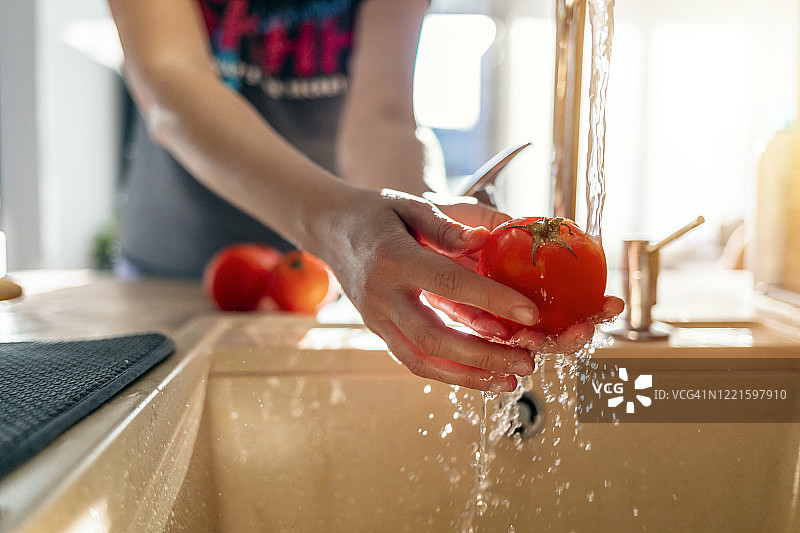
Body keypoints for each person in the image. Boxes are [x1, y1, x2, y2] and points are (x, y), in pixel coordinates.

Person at [108, 0, 623, 394]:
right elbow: (170, 82)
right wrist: (340, 227)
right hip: (176, 279)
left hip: (334, 278)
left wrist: (417, 223)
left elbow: (381, 109)